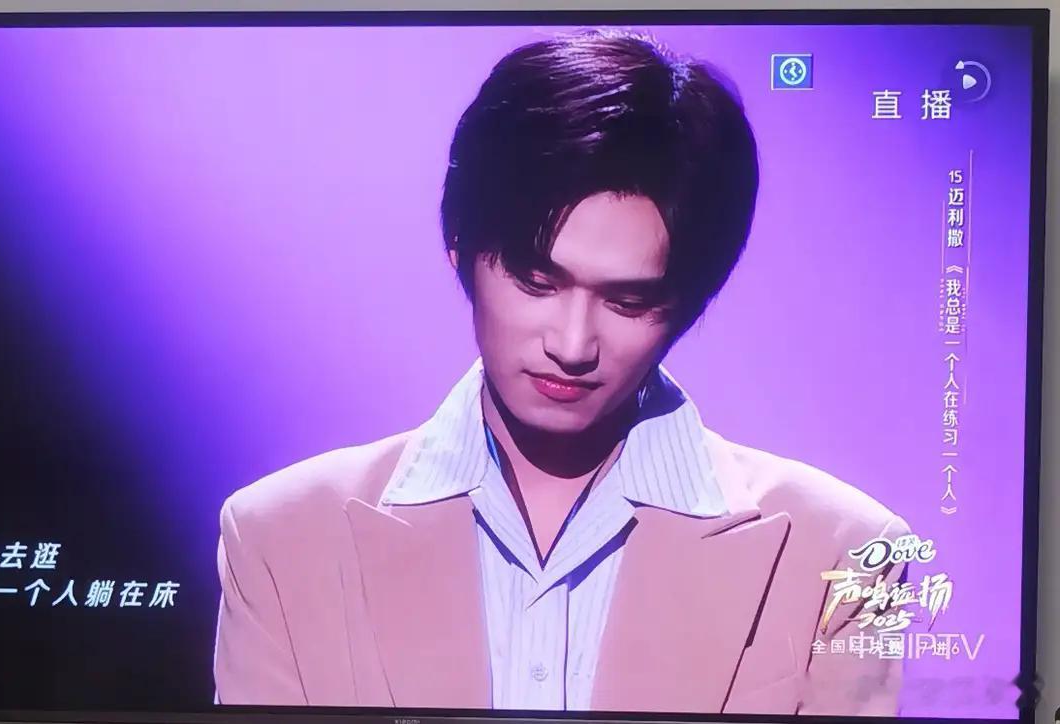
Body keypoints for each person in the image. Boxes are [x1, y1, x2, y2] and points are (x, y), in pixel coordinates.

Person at [213, 30, 909, 715]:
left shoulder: (843, 555)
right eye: (536, 280)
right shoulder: (282, 538)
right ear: (459, 248)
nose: (573, 345)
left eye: (629, 301)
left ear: (690, 304)